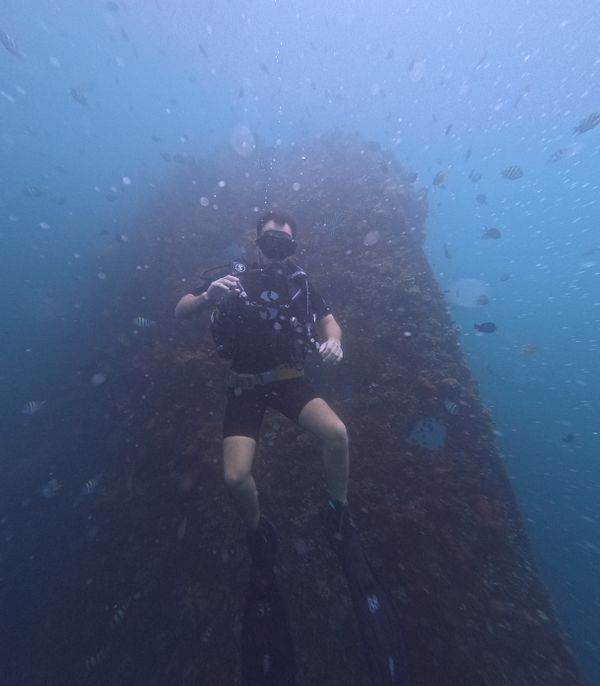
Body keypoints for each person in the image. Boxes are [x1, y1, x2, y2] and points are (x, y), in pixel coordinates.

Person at [175, 211, 350, 573]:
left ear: (292, 247)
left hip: (288, 380)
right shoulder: (233, 274)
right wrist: (209, 295)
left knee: (337, 434)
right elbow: (181, 310)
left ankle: (338, 510)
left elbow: (328, 320)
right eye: (269, 238)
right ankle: (257, 529)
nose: (275, 247)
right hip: (244, 386)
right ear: (257, 240)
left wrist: (333, 342)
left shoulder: (299, 282)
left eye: (283, 242)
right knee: (235, 478)